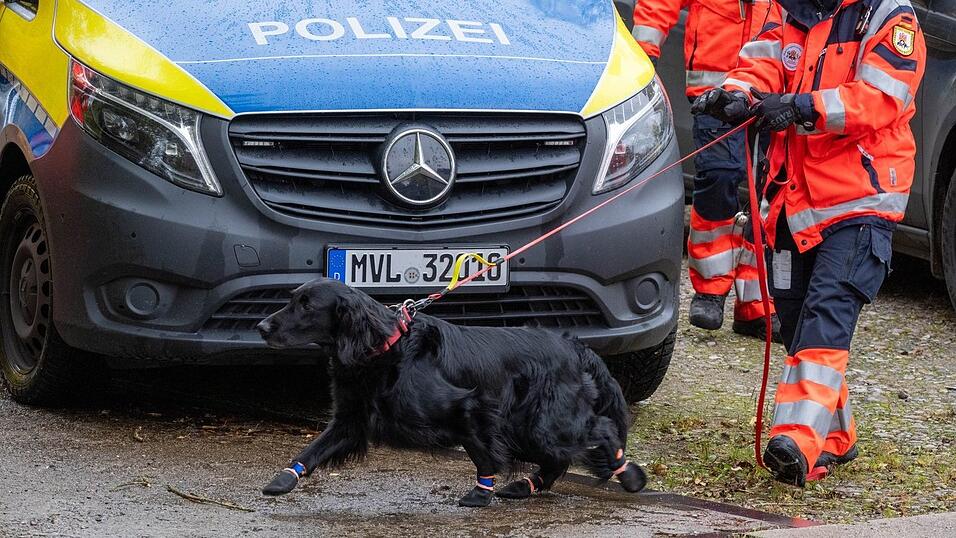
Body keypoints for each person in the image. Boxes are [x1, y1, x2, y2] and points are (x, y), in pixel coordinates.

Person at [693, 0, 925, 486]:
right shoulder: (789, 9)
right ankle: (836, 437)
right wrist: (735, 94)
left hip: (861, 200)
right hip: (792, 198)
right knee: (797, 321)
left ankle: (797, 438)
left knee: (826, 313)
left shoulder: (889, 18)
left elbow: (878, 100)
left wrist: (799, 107)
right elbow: (760, 60)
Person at [632, 0, 782, 341]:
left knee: (769, 194)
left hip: (775, 92)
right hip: (715, 90)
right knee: (719, 177)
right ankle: (711, 289)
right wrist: (643, 55)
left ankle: (757, 304)